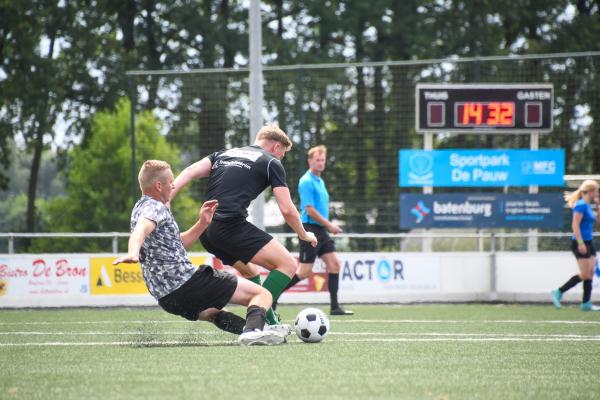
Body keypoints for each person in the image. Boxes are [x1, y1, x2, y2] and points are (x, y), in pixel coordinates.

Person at [113, 160, 288, 345]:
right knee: (262, 294)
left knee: (212, 313)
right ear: (158, 186)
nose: (173, 185)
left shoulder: (139, 208)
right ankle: (253, 331)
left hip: (166, 297)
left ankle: (259, 331)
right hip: (187, 283)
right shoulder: (155, 208)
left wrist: (203, 223)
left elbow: (176, 244)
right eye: (171, 182)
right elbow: (140, 230)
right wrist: (133, 252)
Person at [170, 125, 318, 325]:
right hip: (230, 226)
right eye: (282, 154)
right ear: (275, 147)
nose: (281, 158)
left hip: (206, 229)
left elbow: (188, 172)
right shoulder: (271, 162)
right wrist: (303, 234)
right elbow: (287, 209)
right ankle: (258, 319)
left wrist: (166, 199)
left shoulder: (223, 154)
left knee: (252, 272)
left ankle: (269, 323)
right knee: (288, 265)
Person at [274, 145, 353, 316]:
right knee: (304, 272)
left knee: (334, 265)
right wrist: (330, 225)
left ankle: (334, 307)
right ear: (310, 161)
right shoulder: (306, 181)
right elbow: (309, 210)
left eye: (322, 160)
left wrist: (326, 226)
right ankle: (272, 296)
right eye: (317, 160)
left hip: (321, 230)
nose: (320, 163)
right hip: (309, 229)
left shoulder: (320, 180)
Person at [552, 179, 599, 311]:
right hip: (580, 242)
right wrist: (580, 243)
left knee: (590, 273)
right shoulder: (580, 205)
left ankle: (586, 303)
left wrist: (598, 205)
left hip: (589, 242)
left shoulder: (588, 205)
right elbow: (575, 225)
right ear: (590, 191)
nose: (597, 193)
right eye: (596, 190)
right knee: (585, 274)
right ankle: (559, 291)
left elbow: (597, 221)